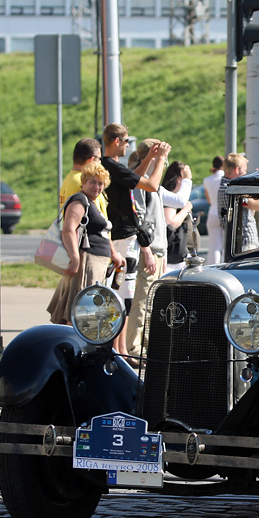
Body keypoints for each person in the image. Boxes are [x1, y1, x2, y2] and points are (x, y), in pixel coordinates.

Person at [99, 123, 170, 355]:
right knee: (123, 297)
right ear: (116, 141)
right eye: (126, 141)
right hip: (122, 239)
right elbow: (151, 185)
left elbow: (135, 178)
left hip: (123, 238)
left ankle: (121, 350)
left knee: (123, 296)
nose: (128, 145)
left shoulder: (113, 166)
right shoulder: (111, 165)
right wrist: (160, 159)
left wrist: (148, 158)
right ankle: (119, 350)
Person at [47, 161, 124, 325]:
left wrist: (113, 254)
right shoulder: (79, 200)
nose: (97, 187)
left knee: (88, 314)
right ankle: (73, 341)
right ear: (83, 182)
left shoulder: (92, 202)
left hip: (96, 264)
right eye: (92, 182)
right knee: (81, 314)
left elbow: (104, 233)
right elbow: (68, 230)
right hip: (87, 263)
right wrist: (75, 260)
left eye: (101, 183)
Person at [124, 138, 171, 357]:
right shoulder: (141, 181)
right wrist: (148, 251)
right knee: (142, 301)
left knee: (152, 302)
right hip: (149, 250)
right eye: (162, 158)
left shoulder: (153, 182)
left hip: (158, 250)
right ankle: (134, 347)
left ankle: (146, 345)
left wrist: (163, 253)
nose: (164, 163)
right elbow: (139, 220)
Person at [217, 153, 259, 253]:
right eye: (244, 170)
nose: (246, 173)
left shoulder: (225, 187)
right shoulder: (232, 190)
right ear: (236, 170)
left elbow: (251, 209)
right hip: (244, 241)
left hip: (238, 241)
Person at [162, 161, 194, 271]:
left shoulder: (172, 198)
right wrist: (186, 209)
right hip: (175, 259)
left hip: (180, 256)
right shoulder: (171, 199)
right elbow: (171, 222)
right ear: (179, 179)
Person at [58, 138, 104, 216]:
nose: (100, 162)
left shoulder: (69, 179)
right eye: (99, 159)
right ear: (92, 160)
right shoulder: (85, 182)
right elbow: (95, 215)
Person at [203, 155, 225, 264]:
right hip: (224, 211)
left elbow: (208, 200)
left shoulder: (207, 180)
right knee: (226, 244)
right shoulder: (225, 178)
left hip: (212, 212)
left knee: (214, 245)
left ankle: (213, 266)